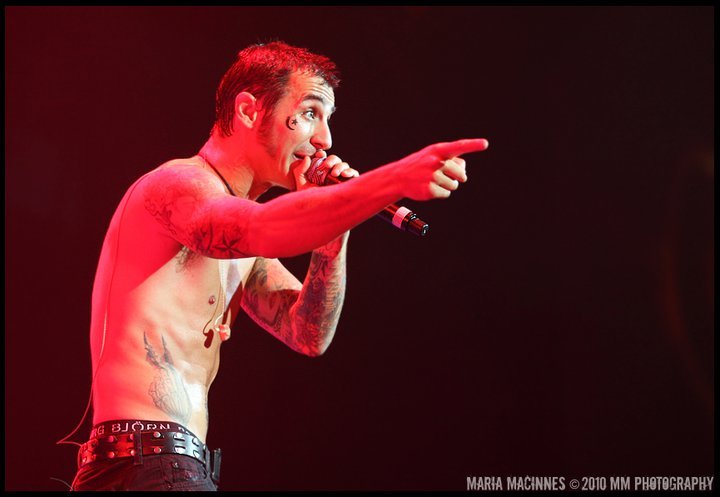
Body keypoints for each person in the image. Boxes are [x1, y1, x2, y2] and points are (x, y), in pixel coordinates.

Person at [68, 41, 488, 491]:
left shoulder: (243, 236)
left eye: (327, 118)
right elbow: (260, 227)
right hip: (146, 462)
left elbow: (307, 333)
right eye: (309, 113)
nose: (325, 139)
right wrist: (391, 180)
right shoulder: (177, 184)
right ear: (249, 111)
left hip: (166, 464)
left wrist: (333, 232)